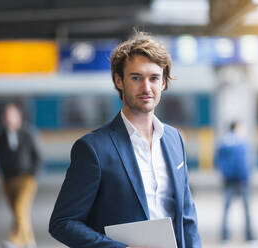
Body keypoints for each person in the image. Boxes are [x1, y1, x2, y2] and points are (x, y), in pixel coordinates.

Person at [49, 32, 202, 248]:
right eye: (136, 78)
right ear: (118, 81)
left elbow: (187, 217)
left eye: (154, 78)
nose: (146, 88)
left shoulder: (174, 139)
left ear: (164, 83)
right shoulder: (93, 149)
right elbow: (63, 223)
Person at [0, 103, 41, 248]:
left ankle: (14, 241)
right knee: (21, 214)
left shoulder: (28, 132)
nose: (6, 118)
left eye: (10, 114)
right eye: (5, 115)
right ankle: (30, 242)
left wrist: (33, 174)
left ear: (18, 116)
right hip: (8, 179)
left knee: (20, 208)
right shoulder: (1, 134)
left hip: (26, 179)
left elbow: (38, 155)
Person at [214, 121, 254, 242]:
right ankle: (249, 236)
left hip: (228, 179)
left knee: (226, 208)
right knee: (246, 210)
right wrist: (246, 176)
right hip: (241, 180)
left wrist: (225, 173)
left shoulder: (223, 141)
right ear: (237, 127)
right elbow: (245, 163)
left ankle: (225, 236)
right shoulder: (241, 142)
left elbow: (218, 161)